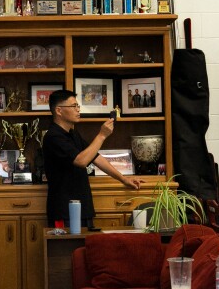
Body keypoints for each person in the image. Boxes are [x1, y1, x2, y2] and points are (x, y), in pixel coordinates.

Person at [43, 89, 144, 228]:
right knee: (65, 248)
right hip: (64, 211)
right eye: (74, 106)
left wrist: (124, 179)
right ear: (59, 111)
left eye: (78, 106)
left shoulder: (73, 133)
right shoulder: (53, 136)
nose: (78, 110)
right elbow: (81, 161)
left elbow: (96, 157)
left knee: (85, 248)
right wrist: (102, 135)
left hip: (83, 207)